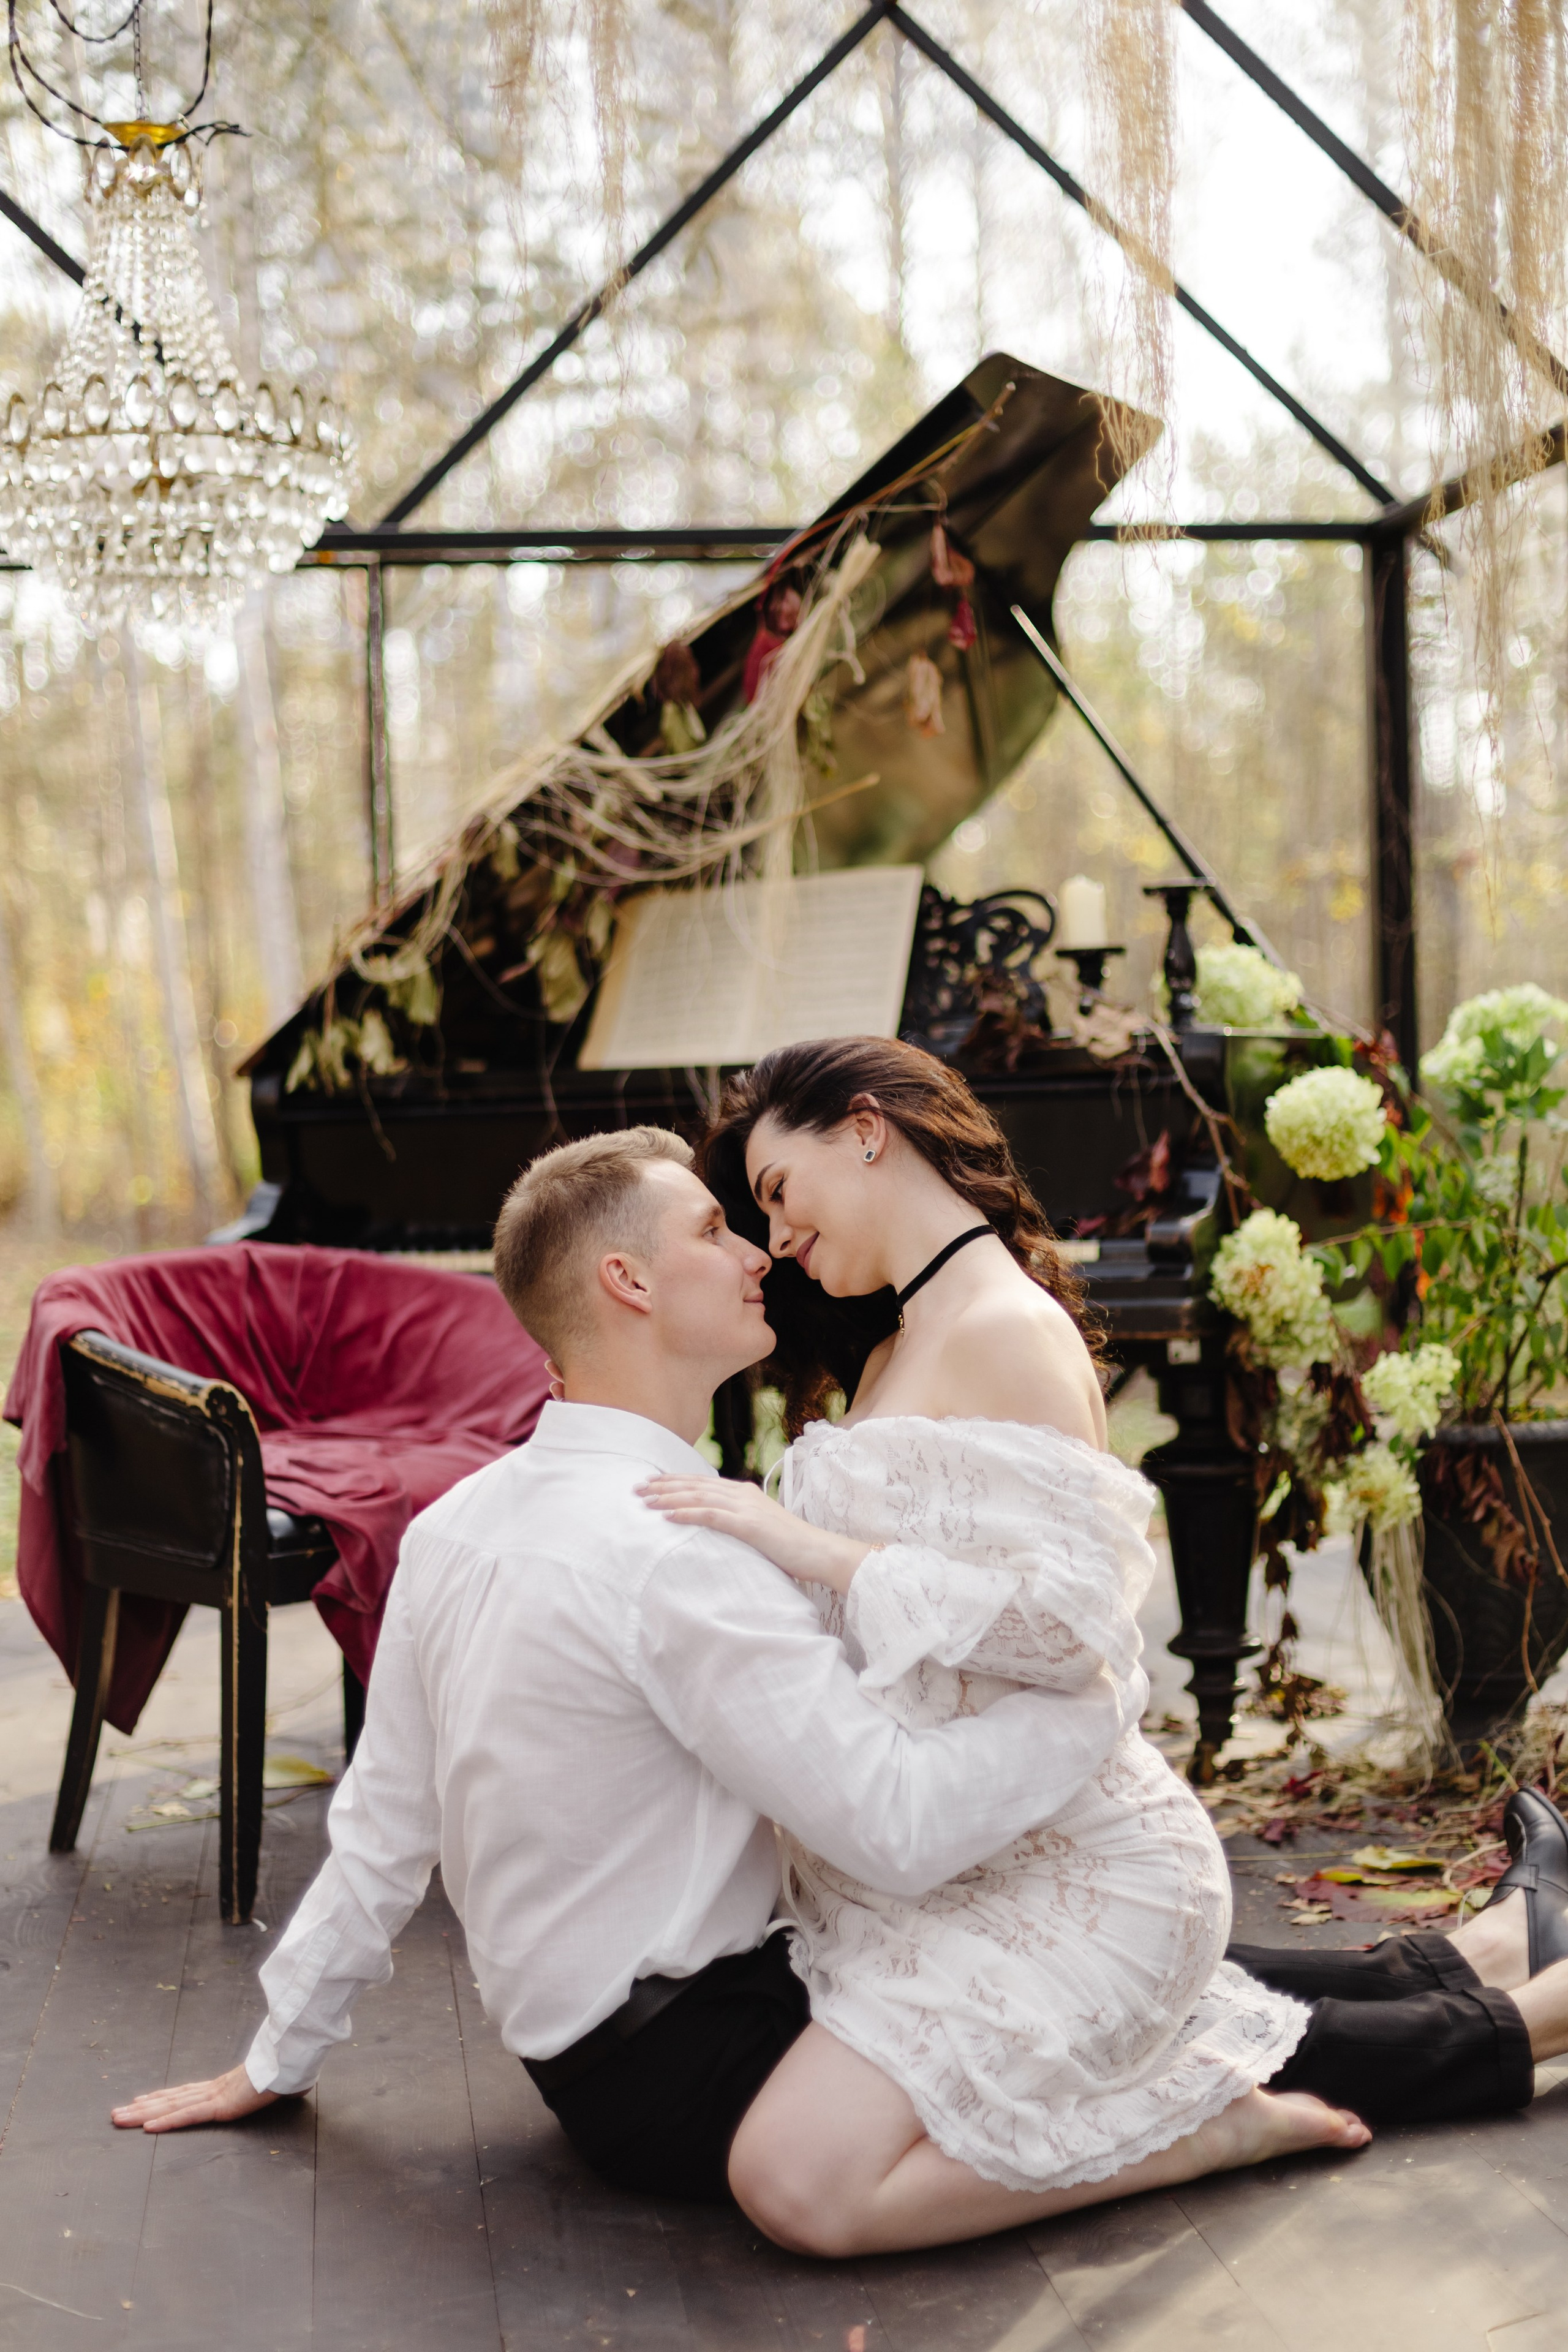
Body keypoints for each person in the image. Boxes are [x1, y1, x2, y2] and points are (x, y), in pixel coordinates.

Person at [109, 1122, 1365, 2251]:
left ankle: (1460, 1989)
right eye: (715, 1228)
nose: (757, 1249)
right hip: (699, 2050)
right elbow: (899, 1827)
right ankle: (1236, 2122)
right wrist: (1086, 1709)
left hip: (582, 2057)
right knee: (1080, 1976)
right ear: (630, 1282)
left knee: (1070, 1944)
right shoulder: (678, 1559)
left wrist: (281, 2052)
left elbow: (385, 1821)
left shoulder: (459, 1520)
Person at [634, 1035, 1568, 2253]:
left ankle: (1532, 2009)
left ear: (864, 1130)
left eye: (774, 1193)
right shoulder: (907, 1334)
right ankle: (1505, 1957)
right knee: (1204, 2027)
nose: (774, 1239)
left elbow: (1073, 1632)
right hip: (970, 1851)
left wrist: (798, 1546)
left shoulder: (1002, 1330)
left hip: (1060, 1850)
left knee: (1137, 2064)